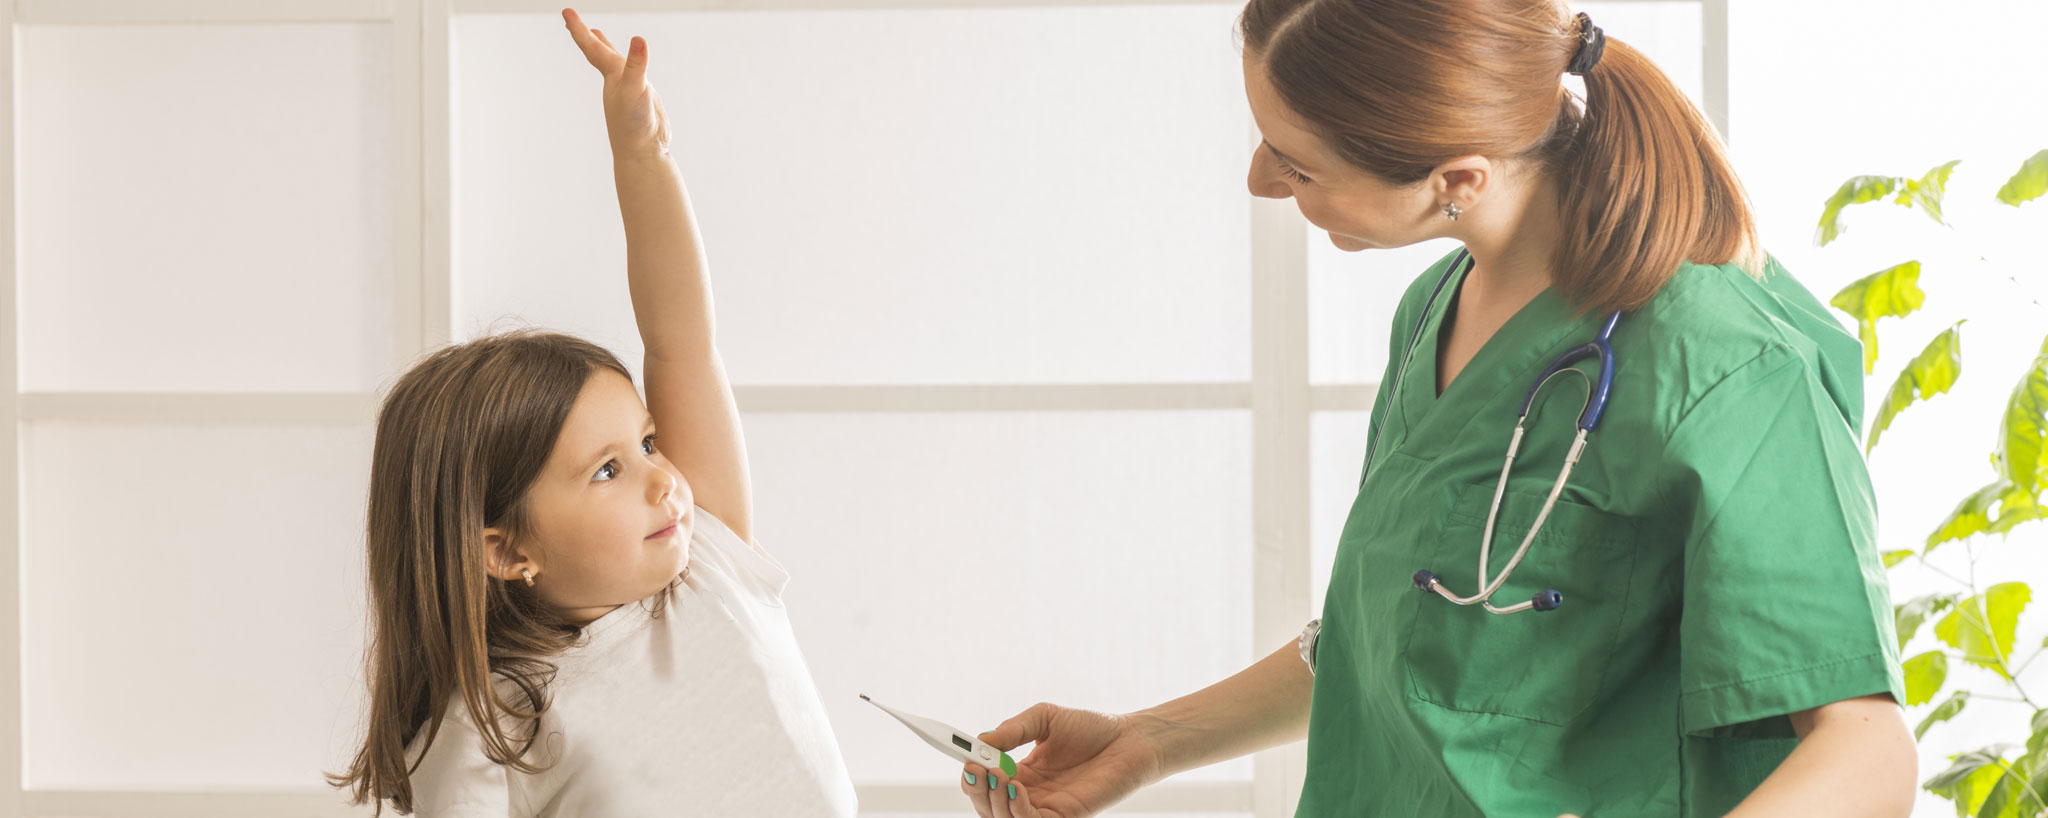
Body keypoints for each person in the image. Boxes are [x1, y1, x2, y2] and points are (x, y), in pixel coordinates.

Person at [957, 2, 1916, 817]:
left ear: (1458, 179)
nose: (1257, 179)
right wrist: (1146, 742)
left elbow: (1867, 749)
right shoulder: (1433, 313)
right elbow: (1415, 632)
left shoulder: (1726, 362)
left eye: (1296, 165)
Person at [326, 10, 857, 815]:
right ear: (505, 551)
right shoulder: (493, 724)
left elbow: (681, 343)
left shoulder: (710, 561)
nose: (662, 479)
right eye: (608, 469)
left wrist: (644, 158)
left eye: (647, 442)